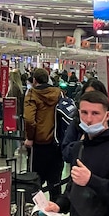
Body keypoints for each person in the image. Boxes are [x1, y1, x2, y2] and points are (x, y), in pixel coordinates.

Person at [23, 67, 63, 201]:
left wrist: (29, 137)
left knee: (35, 183)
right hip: (56, 143)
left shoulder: (32, 94)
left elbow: (29, 119)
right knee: (55, 183)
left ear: (34, 80)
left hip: (38, 145)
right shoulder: (58, 93)